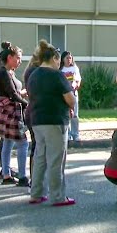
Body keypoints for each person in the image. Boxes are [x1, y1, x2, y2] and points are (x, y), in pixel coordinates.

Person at [26, 42, 76, 206]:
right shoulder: (56, 75)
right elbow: (70, 99)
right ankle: (58, 196)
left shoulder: (33, 74)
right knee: (56, 159)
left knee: (40, 156)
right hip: (55, 120)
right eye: (58, 59)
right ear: (54, 58)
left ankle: (36, 192)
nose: (59, 63)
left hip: (37, 120)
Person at [0, 43, 29, 186]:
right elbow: (12, 94)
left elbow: (12, 92)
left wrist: (23, 93)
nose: (20, 61)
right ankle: (22, 176)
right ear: (9, 57)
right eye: (18, 58)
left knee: (7, 142)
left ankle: (7, 174)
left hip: (7, 111)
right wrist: (26, 103)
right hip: (10, 113)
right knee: (23, 143)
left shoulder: (9, 72)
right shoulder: (3, 73)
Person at [23, 39, 45, 186]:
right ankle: (36, 179)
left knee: (36, 146)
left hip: (32, 110)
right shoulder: (37, 71)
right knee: (38, 147)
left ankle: (34, 179)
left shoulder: (30, 70)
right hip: (38, 111)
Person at [60, 51, 82, 141]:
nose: (69, 60)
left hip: (73, 93)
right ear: (63, 59)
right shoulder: (60, 69)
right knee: (66, 114)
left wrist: (75, 86)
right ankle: (67, 134)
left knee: (75, 115)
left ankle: (75, 134)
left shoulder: (74, 68)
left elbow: (78, 80)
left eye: (70, 58)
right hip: (64, 94)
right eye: (67, 58)